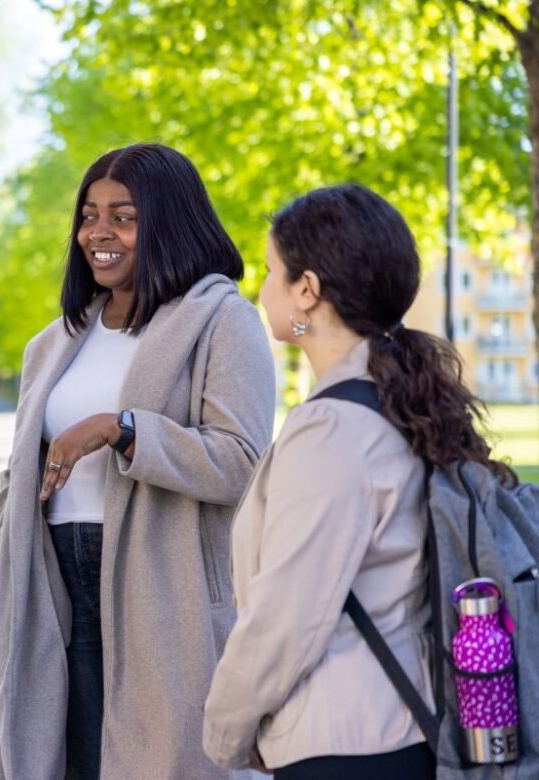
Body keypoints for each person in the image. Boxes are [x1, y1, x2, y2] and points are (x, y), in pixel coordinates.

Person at [203, 183, 517, 779]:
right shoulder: (395, 402)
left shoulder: (333, 430)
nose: (261, 286)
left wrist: (222, 731)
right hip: (396, 728)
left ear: (307, 290)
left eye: (272, 270)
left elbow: (287, 615)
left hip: (346, 743)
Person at [0, 143, 276, 780]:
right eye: (89, 215)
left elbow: (240, 464)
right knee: (65, 758)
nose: (99, 233)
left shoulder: (223, 321)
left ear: (169, 221)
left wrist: (121, 431)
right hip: (54, 579)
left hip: (158, 587)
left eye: (123, 216)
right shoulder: (57, 339)